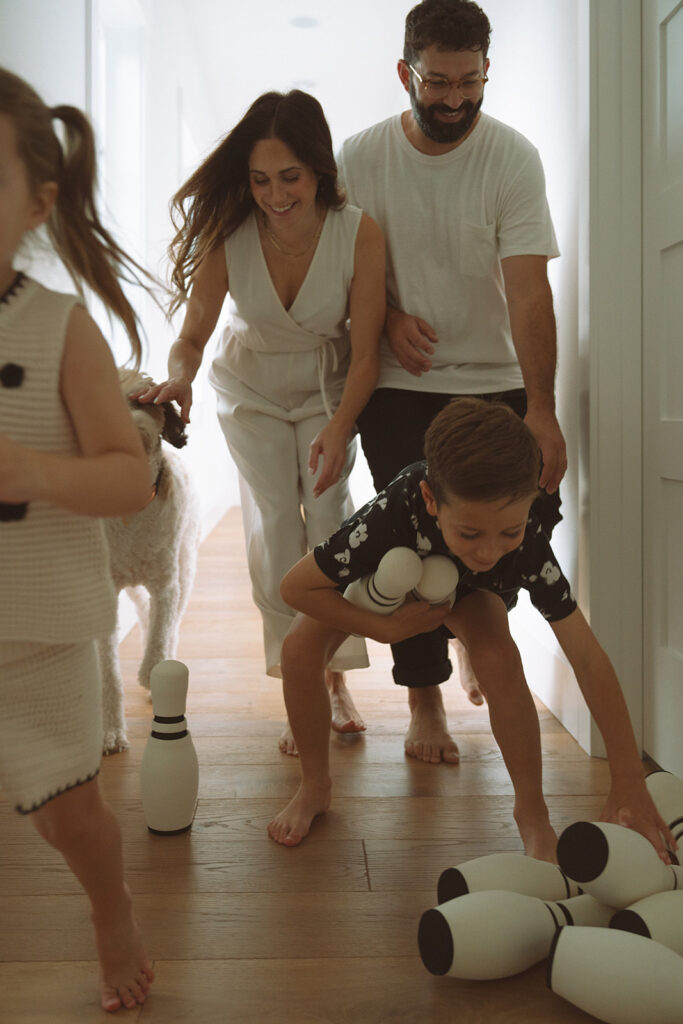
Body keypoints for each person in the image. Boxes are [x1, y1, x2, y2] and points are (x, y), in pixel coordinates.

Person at [266, 399, 677, 865]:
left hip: (464, 593)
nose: (489, 551)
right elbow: (295, 587)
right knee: (299, 647)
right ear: (430, 499)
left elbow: (585, 654)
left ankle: (533, 816)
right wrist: (383, 628)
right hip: (386, 575)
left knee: (500, 659)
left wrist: (628, 777)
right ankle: (315, 786)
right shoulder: (394, 512)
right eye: (471, 533)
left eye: (509, 531)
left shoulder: (526, 547)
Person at [336, 0, 567, 766]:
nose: (454, 99)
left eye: (470, 81)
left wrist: (542, 408)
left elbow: (529, 291)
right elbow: (338, 274)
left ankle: (477, 628)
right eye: (437, 82)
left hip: (495, 379)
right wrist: (387, 316)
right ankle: (423, 699)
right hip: (400, 381)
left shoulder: (511, 158)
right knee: (409, 546)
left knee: (501, 534)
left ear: (485, 71)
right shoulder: (360, 158)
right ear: (406, 73)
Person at [136, 91, 385, 752]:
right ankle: (296, 685)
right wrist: (181, 376)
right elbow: (192, 336)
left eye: (289, 177)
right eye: (259, 179)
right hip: (251, 391)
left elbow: (367, 354)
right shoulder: (230, 234)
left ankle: (335, 676)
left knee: (330, 519)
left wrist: (341, 428)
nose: (274, 194)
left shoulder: (357, 231)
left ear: (319, 172)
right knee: (276, 527)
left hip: (328, 391)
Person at [0, 69, 155, 1011]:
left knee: (70, 815)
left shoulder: (59, 328)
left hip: (38, 628)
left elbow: (128, 474)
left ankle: (112, 907)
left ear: (37, 203)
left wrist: (29, 473)